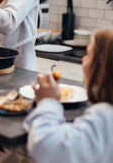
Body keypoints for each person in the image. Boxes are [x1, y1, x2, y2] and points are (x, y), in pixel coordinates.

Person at [23, 29, 113, 163]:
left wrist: (48, 101)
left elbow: (44, 146)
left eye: (88, 55)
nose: (83, 59)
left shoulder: (105, 116)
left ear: (101, 72)